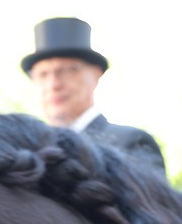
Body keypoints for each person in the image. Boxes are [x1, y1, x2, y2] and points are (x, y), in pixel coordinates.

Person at [21, 16, 165, 172]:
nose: (53, 84)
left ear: (95, 74)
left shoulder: (130, 143)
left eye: (67, 71)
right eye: (43, 75)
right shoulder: (29, 153)